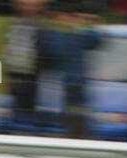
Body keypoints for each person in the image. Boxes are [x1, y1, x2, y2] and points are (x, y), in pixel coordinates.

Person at [37, 1, 99, 137]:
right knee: (59, 121)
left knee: (77, 121)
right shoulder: (52, 35)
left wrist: (89, 24)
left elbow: (96, 41)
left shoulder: (78, 35)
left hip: (74, 85)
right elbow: (52, 49)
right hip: (58, 86)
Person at [2, 0, 43, 118]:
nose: (27, 8)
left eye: (32, 5)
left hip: (32, 81)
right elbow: (1, 56)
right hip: (14, 78)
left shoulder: (42, 28)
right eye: (24, 4)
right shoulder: (12, 26)